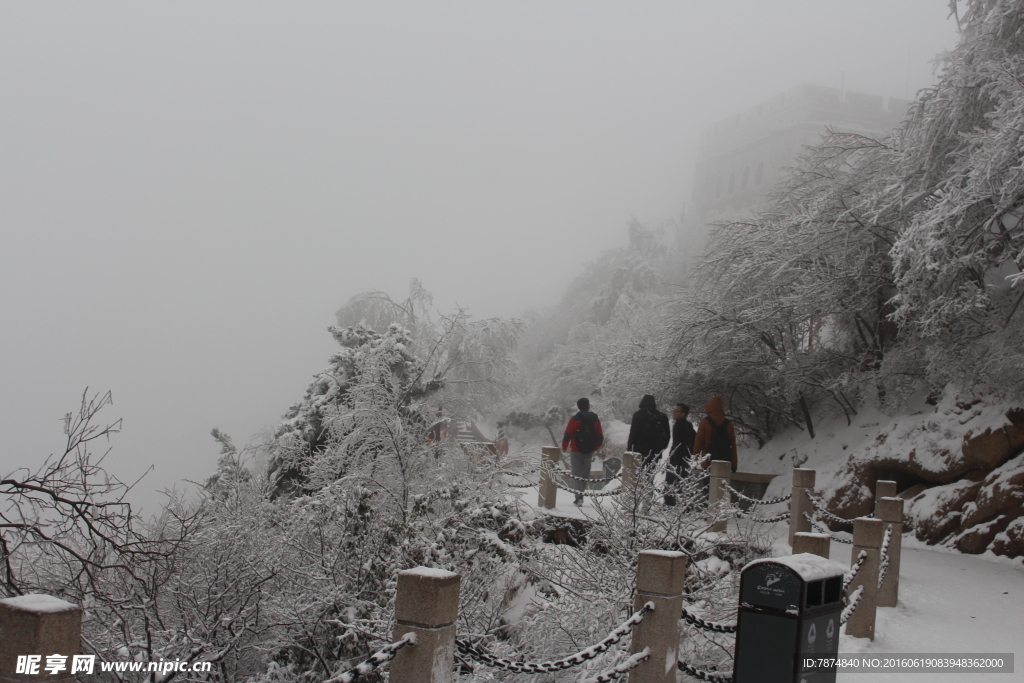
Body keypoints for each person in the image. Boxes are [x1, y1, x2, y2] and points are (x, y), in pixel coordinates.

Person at [561, 398, 604, 506]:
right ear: (588, 406)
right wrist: (595, 448)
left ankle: (579, 497)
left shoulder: (574, 419)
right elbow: (600, 436)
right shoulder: (595, 419)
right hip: (589, 451)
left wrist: (564, 447)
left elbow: (568, 434)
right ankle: (581, 495)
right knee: (585, 474)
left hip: (576, 450)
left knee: (576, 474)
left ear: (578, 406)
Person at [693, 396, 738, 499]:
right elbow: (733, 445)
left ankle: (709, 511)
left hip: (708, 462)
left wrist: (694, 459)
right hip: (724, 462)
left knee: (708, 489)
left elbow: (698, 442)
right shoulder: (728, 424)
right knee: (721, 490)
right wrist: (734, 464)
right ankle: (718, 511)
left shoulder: (705, 422)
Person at [627, 395, 671, 495]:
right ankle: (647, 499)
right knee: (650, 476)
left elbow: (633, 433)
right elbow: (667, 436)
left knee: (637, 476)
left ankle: (637, 499)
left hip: (639, 451)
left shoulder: (638, 415)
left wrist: (630, 449)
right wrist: (660, 449)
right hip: (655, 451)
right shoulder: (662, 417)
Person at [664, 402, 696, 507]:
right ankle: (684, 505)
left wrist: (675, 460)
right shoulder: (689, 425)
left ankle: (669, 504)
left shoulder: (678, 425)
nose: (674, 413)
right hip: (686, 458)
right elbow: (693, 440)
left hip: (676, 458)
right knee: (684, 482)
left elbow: (677, 444)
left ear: (683, 414)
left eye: (676, 411)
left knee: (670, 482)